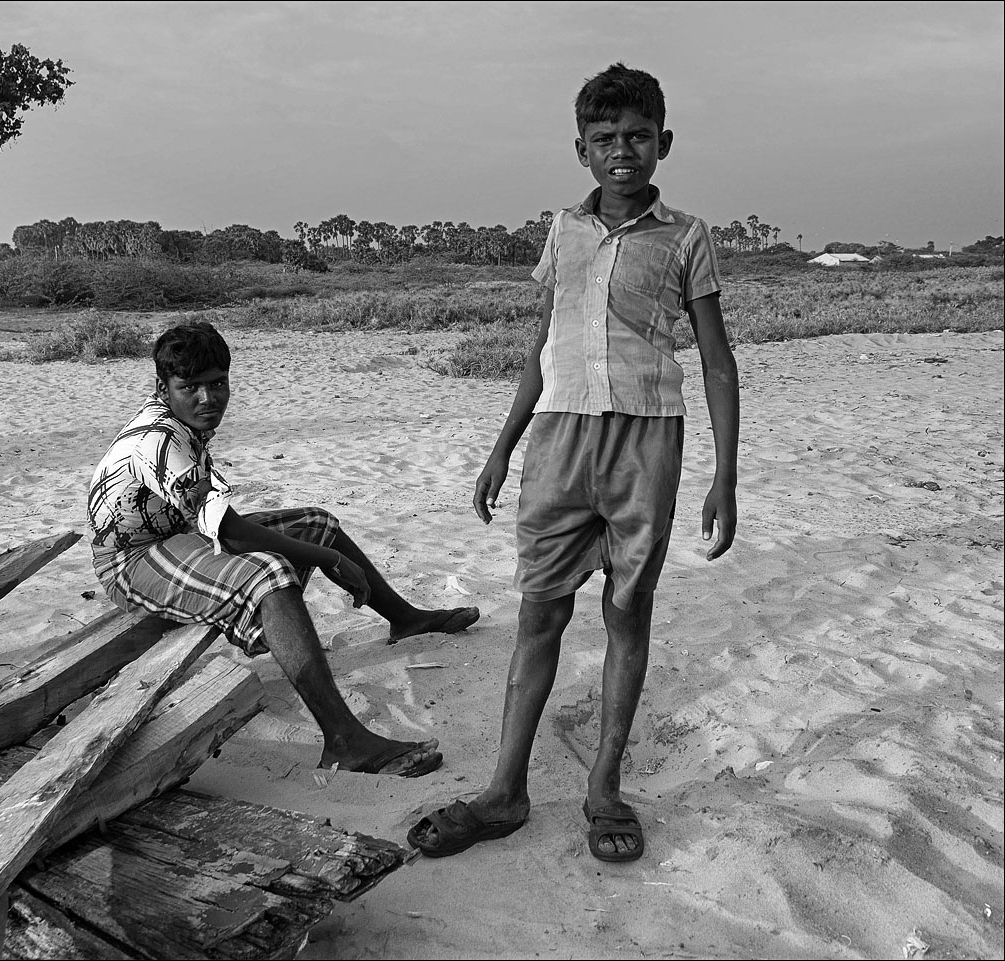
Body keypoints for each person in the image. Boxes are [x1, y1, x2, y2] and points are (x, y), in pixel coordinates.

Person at [408, 63, 739, 861]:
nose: (621, 151)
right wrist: (502, 444)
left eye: (635, 136)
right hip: (558, 441)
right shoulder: (563, 230)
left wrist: (726, 473)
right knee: (539, 613)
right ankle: (505, 791)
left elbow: (717, 362)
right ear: (581, 150)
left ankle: (604, 786)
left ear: (663, 140)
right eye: (603, 139)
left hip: (645, 440)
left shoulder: (686, 236)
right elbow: (542, 347)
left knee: (628, 613)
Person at [87, 321, 480, 778]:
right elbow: (231, 534)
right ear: (163, 387)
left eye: (216, 384)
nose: (207, 398)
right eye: (189, 387)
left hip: (182, 537)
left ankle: (405, 618)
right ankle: (343, 741)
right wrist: (329, 560)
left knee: (316, 524)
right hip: (132, 560)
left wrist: (321, 547)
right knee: (268, 574)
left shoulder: (182, 423)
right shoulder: (158, 440)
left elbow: (216, 521)